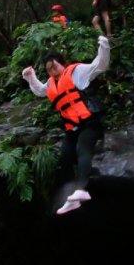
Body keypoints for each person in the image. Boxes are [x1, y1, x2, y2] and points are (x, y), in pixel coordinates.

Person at [22, 34, 111, 215]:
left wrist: (104, 44)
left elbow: (100, 65)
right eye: (49, 70)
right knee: (64, 158)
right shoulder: (51, 83)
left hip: (91, 121)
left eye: (55, 67)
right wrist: (30, 76)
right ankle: (72, 197)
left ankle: (82, 189)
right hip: (73, 127)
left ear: (62, 63)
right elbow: (40, 90)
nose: (53, 72)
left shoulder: (77, 72)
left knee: (82, 149)